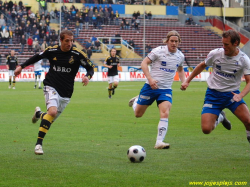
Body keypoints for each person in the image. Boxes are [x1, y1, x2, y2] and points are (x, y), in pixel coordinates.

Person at [14, 30, 95, 155]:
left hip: (66, 92)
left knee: (49, 118)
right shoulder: (52, 51)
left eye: (72, 40)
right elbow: (37, 57)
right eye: (67, 40)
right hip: (51, 85)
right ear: (61, 40)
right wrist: (21, 66)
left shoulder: (77, 54)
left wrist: (87, 77)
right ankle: (38, 144)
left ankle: (38, 114)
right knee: (52, 112)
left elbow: (91, 68)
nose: (70, 43)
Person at [181, 29, 250, 144]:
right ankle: (221, 117)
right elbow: (202, 65)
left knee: (248, 121)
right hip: (213, 94)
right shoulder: (215, 53)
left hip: (232, 95)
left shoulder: (244, 60)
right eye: (222, 43)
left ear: (236, 43)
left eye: (226, 44)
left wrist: (241, 95)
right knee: (206, 129)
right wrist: (187, 80)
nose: (223, 47)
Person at [128, 30, 186, 149]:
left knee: (165, 112)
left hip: (165, 90)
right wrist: (150, 79)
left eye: (176, 41)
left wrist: (184, 81)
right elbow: (144, 63)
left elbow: (180, 70)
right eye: (172, 41)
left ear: (179, 42)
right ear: (167, 41)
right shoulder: (158, 51)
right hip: (150, 87)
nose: (174, 43)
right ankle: (136, 101)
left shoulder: (180, 56)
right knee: (138, 114)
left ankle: (159, 142)